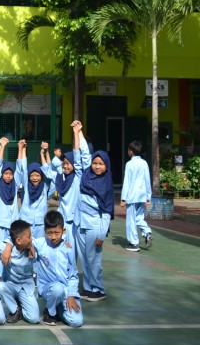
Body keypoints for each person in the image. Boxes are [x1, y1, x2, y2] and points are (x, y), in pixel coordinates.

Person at [75, 125, 114, 302]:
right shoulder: (86, 175)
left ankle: (98, 289)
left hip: (94, 226)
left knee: (94, 259)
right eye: (95, 163)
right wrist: (78, 133)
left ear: (106, 165)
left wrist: (101, 233)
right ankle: (88, 287)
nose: (97, 166)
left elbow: (106, 212)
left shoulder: (106, 185)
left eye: (101, 164)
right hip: (81, 224)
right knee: (84, 259)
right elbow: (85, 154)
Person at [36, 211, 83, 327]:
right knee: (57, 289)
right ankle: (50, 312)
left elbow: (73, 275)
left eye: (57, 233)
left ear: (63, 231)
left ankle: (58, 308)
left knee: (76, 321)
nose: (53, 237)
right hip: (49, 289)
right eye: (49, 233)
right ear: (45, 231)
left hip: (66, 291)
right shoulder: (40, 244)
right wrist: (8, 247)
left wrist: (71, 294)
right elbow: (23, 239)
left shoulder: (68, 249)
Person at [48, 121, 86, 247]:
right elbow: (47, 170)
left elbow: (77, 156)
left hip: (74, 220)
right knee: (62, 248)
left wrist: (76, 133)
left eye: (68, 163)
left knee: (72, 249)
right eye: (64, 163)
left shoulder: (77, 177)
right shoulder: (61, 178)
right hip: (62, 220)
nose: (65, 166)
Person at [0, 219, 40, 324]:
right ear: (19, 241)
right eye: (29, 237)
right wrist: (8, 246)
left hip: (26, 287)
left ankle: (22, 305)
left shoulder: (32, 245)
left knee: (34, 318)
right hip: (11, 286)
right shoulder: (4, 248)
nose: (31, 239)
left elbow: (46, 242)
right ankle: (15, 310)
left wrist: (65, 243)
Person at [120, 140, 153, 252]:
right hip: (142, 195)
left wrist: (123, 198)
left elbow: (127, 182)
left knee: (131, 220)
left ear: (130, 151)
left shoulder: (129, 164)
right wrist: (148, 196)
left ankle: (134, 243)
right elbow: (147, 180)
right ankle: (147, 232)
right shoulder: (144, 163)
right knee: (139, 218)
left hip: (132, 196)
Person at [17, 139, 53, 239]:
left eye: (37, 175)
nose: (35, 178)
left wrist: (44, 152)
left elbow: (48, 170)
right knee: (25, 246)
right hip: (26, 222)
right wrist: (23, 149)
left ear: (41, 176)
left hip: (40, 224)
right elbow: (23, 167)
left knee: (39, 246)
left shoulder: (45, 185)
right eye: (32, 175)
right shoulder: (26, 184)